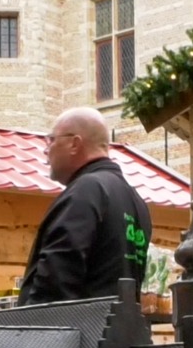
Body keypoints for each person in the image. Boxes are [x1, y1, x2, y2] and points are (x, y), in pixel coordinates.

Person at [18, 107, 151, 305]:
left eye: (52, 140)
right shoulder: (136, 201)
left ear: (74, 143)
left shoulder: (86, 191)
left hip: (79, 331)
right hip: (118, 330)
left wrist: (33, 328)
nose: (46, 150)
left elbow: (56, 279)